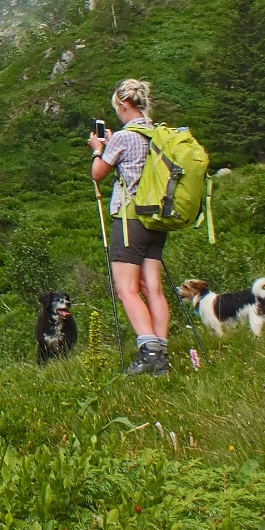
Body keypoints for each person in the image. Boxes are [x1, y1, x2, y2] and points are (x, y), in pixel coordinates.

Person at [87, 79, 170, 376]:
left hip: (129, 219)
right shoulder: (158, 134)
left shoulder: (123, 137)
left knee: (127, 289)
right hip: (157, 219)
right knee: (154, 289)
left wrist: (99, 149)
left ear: (124, 106)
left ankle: (148, 352)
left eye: (118, 109)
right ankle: (162, 353)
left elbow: (98, 174)